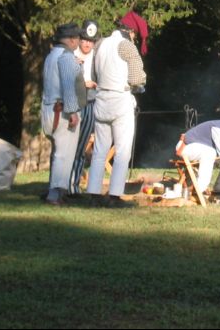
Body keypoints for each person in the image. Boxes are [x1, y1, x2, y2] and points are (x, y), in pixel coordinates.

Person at [86, 14, 147, 207]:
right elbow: (137, 78)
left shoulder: (100, 44)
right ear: (130, 31)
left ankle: (94, 194)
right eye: (134, 34)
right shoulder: (127, 46)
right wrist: (138, 86)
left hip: (101, 99)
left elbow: (95, 73)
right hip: (120, 101)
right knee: (122, 151)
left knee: (99, 151)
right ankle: (115, 195)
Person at [40, 23, 83, 206]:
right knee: (64, 153)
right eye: (78, 39)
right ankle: (55, 193)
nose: (79, 42)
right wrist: (73, 112)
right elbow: (68, 87)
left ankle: (57, 191)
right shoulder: (66, 57)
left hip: (50, 108)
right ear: (72, 39)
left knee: (59, 152)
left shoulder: (51, 56)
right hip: (62, 110)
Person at [68, 20, 99, 196]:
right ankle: (62, 184)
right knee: (67, 146)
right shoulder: (71, 55)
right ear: (80, 39)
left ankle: (74, 185)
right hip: (74, 105)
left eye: (90, 41)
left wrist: (95, 85)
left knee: (81, 147)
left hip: (90, 104)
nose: (87, 44)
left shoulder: (97, 57)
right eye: (85, 40)